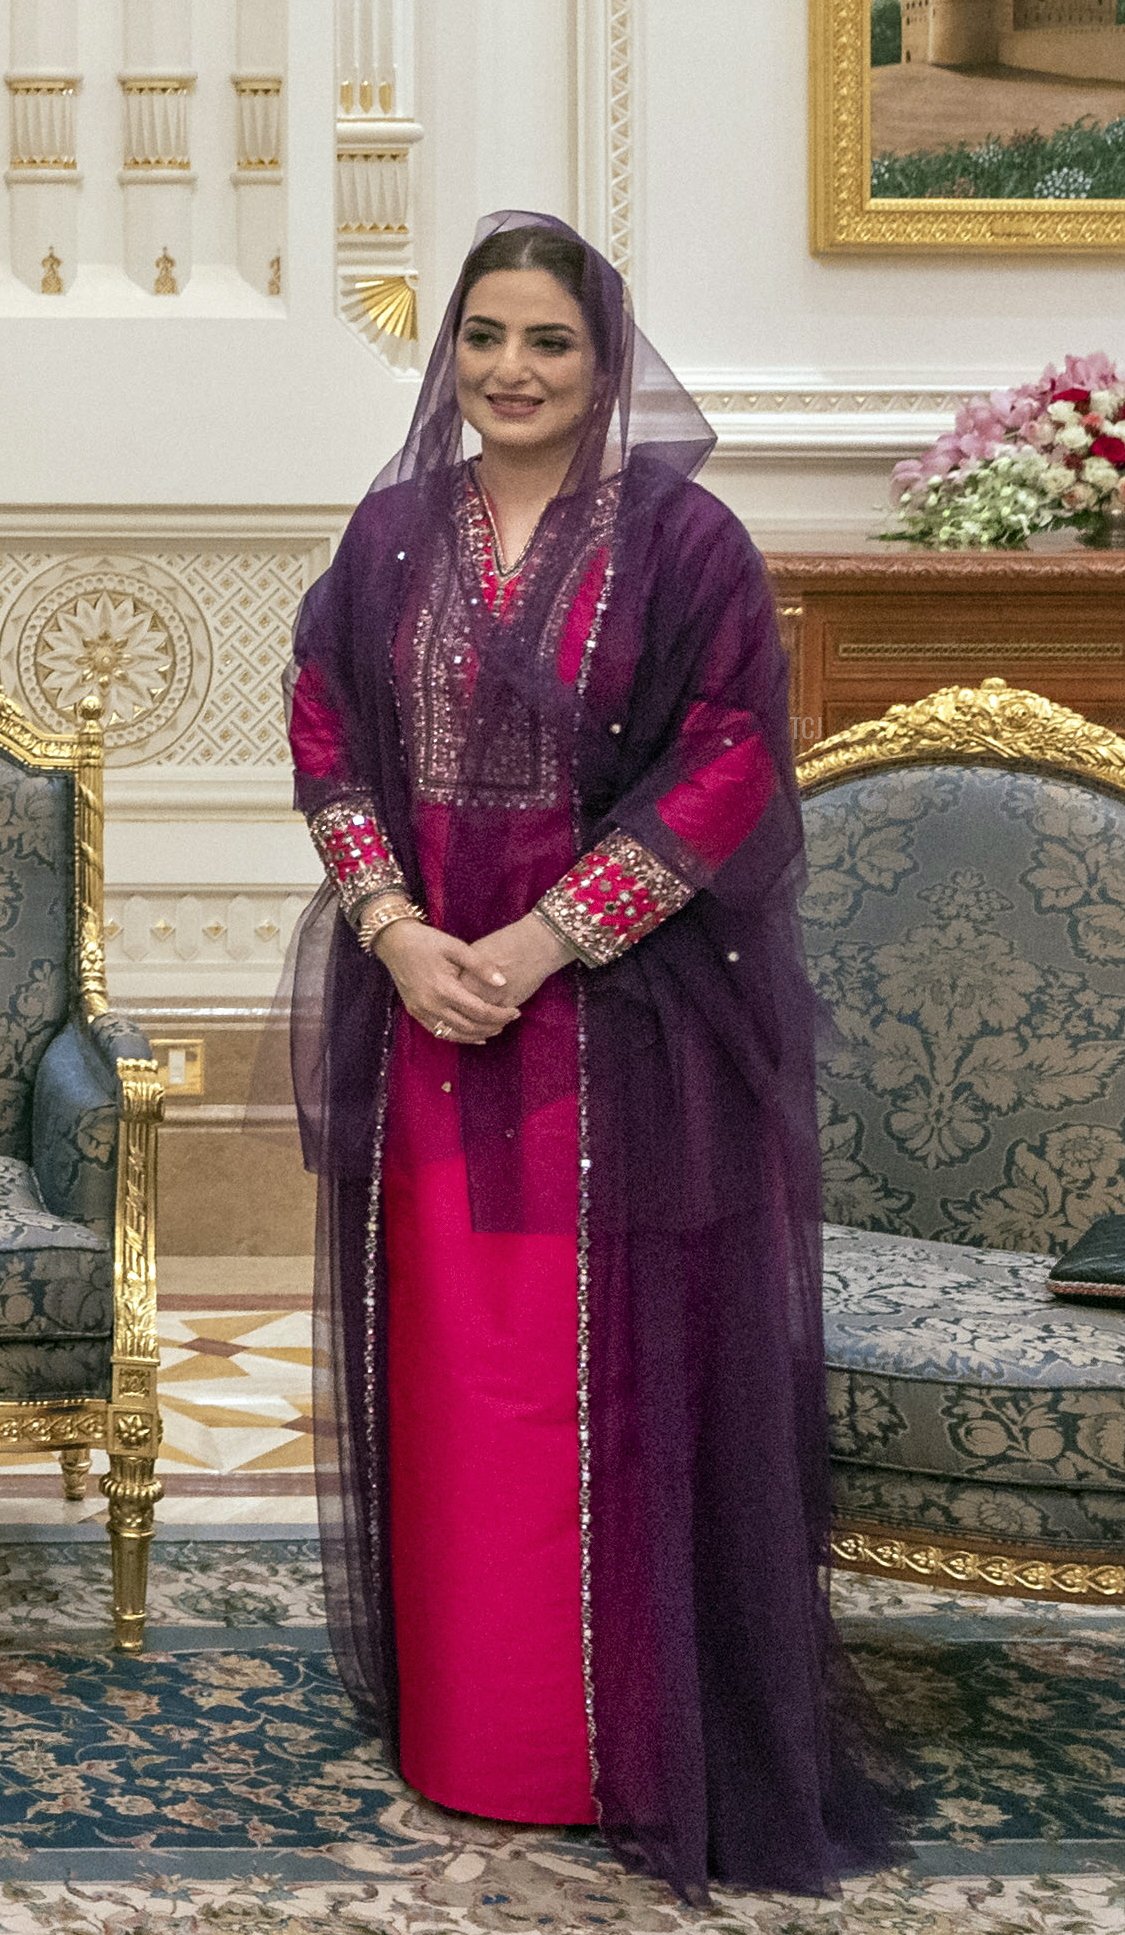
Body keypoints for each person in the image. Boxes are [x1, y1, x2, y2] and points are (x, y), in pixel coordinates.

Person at [286, 210, 900, 1903]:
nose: (511, 371)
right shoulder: (395, 533)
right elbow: (323, 719)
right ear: (449, 353)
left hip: (619, 1029)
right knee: (461, 1372)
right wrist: (402, 934)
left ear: (603, 358)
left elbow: (725, 760)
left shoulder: (686, 545)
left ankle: (607, 1741)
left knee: (600, 1371)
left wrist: (544, 940)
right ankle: (468, 1729)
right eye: (484, 337)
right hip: (426, 1018)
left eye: (548, 341)